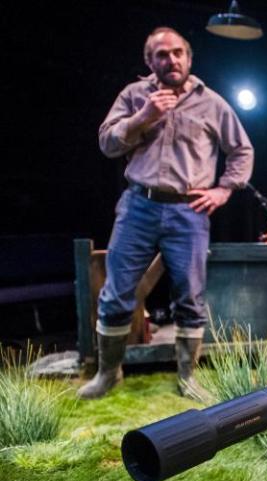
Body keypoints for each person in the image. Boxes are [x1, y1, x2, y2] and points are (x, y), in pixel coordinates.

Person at [80, 27, 254, 399]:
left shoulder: (212, 103)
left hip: (187, 211)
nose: (171, 60)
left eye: (178, 53)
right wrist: (144, 116)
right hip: (138, 205)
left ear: (189, 58)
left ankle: (188, 378)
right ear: (150, 61)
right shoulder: (133, 95)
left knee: (190, 295)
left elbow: (241, 150)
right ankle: (108, 374)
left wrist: (223, 189)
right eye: (162, 54)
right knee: (116, 293)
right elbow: (107, 143)